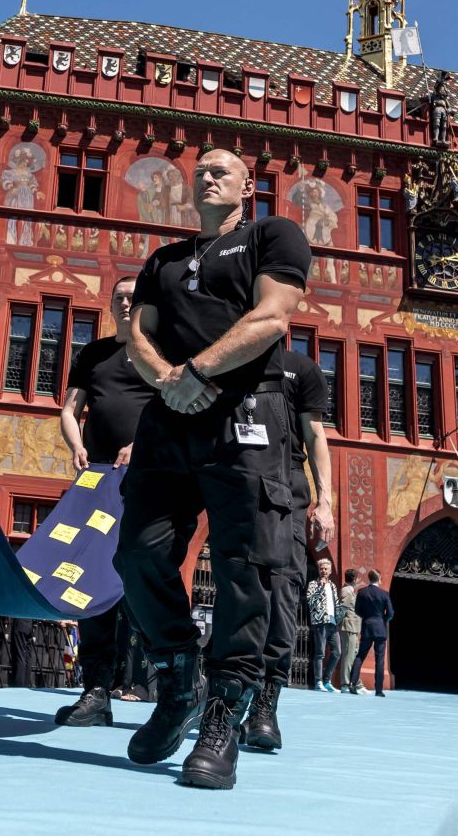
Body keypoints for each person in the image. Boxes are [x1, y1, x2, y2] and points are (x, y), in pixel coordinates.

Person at [114, 147, 311, 790]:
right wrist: (169, 380)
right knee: (137, 553)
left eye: (221, 170)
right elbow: (138, 336)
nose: (207, 175)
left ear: (248, 187)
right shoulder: (164, 260)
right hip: (170, 415)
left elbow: (272, 316)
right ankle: (178, 677)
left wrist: (197, 372)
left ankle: (224, 715)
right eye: (200, 169)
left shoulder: (272, 235)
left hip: (246, 414)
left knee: (244, 566)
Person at [54, 278, 152, 728]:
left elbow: (173, 410)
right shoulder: (92, 355)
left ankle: (168, 684)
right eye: (119, 298)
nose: (126, 303)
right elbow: (69, 410)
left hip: (146, 481)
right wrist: (76, 444)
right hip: (97, 481)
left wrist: (141, 443)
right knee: (90, 580)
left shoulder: (159, 352)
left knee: (144, 579)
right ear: (111, 306)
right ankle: (96, 689)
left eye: (133, 297)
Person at [243, 347, 335, 750]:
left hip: (285, 489)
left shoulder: (299, 369)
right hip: (233, 485)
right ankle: (223, 694)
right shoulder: (220, 358)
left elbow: (315, 434)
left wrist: (325, 501)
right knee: (238, 593)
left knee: (282, 592)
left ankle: (266, 702)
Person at [351, 570, 393, 696]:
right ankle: (379, 690)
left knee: (360, 656)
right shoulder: (384, 594)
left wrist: (367, 617)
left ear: (369, 578)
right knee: (379, 660)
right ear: (379, 578)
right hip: (380, 629)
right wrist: (382, 620)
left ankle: (352, 684)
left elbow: (357, 610)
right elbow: (390, 613)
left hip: (367, 627)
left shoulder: (362, 592)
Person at [305, 558, 340, 692]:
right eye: (321, 569)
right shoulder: (313, 584)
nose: (324, 571)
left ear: (330, 571)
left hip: (332, 622)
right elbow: (310, 600)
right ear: (319, 571)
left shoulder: (332, 586)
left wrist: (339, 615)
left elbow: (336, 603)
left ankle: (326, 681)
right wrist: (320, 588)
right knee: (320, 653)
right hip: (320, 622)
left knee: (337, 652)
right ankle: (318, 682)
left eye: (326, 569)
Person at [335, 568, 361, 693]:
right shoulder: (346, 590)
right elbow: (343, 609)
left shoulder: (350, 590)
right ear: (354, 579)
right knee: (348, 656)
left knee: (353, 655)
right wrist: (336, 623)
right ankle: (345, 684)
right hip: (348, 626)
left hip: (353, 627)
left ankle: (353, 682)